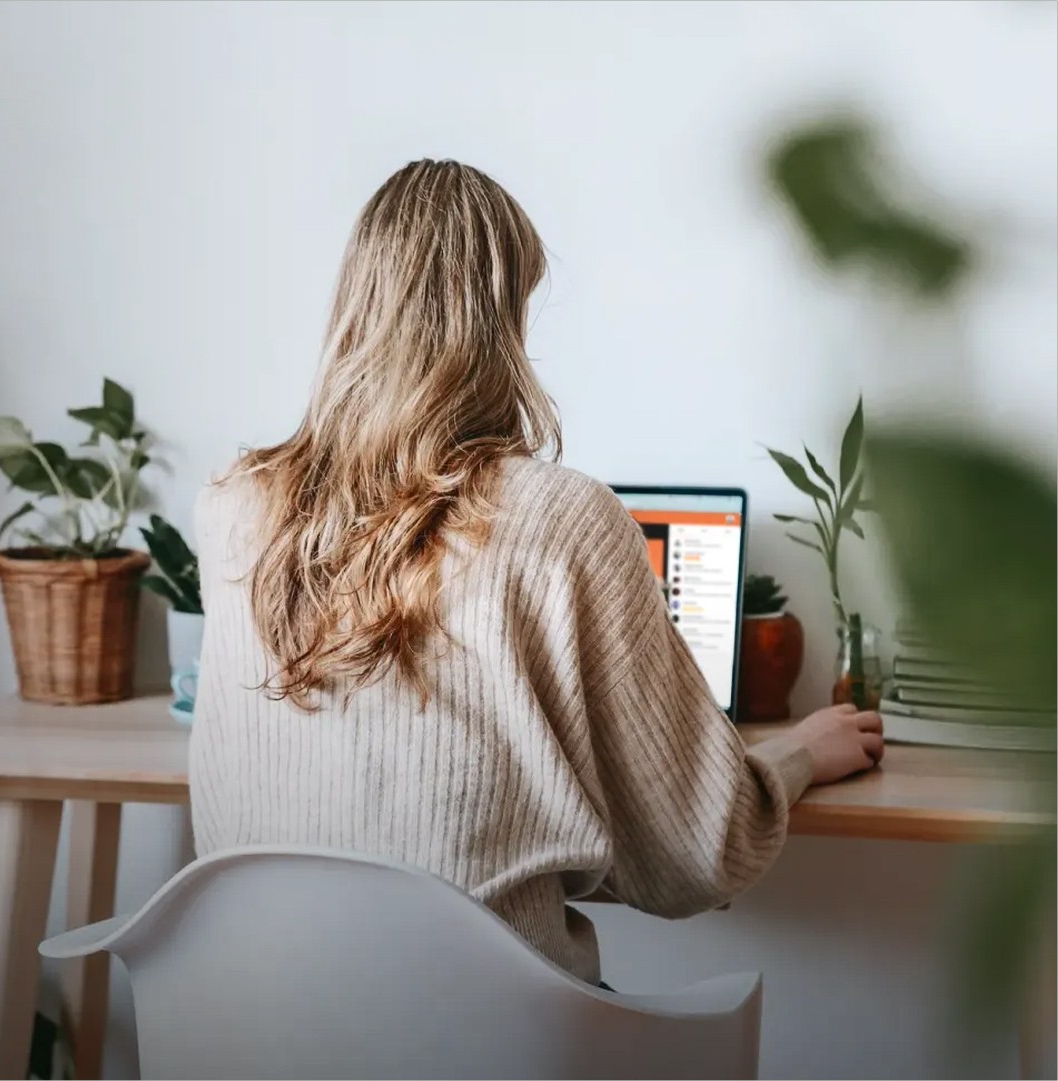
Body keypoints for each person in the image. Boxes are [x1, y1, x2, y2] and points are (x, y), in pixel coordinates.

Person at [189, 159, 883, 986]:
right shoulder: (563, 520)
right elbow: (698, 851)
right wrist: (797, 754)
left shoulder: (231, 509)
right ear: (502, 320)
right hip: (489, 1045)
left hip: (254, 1037)